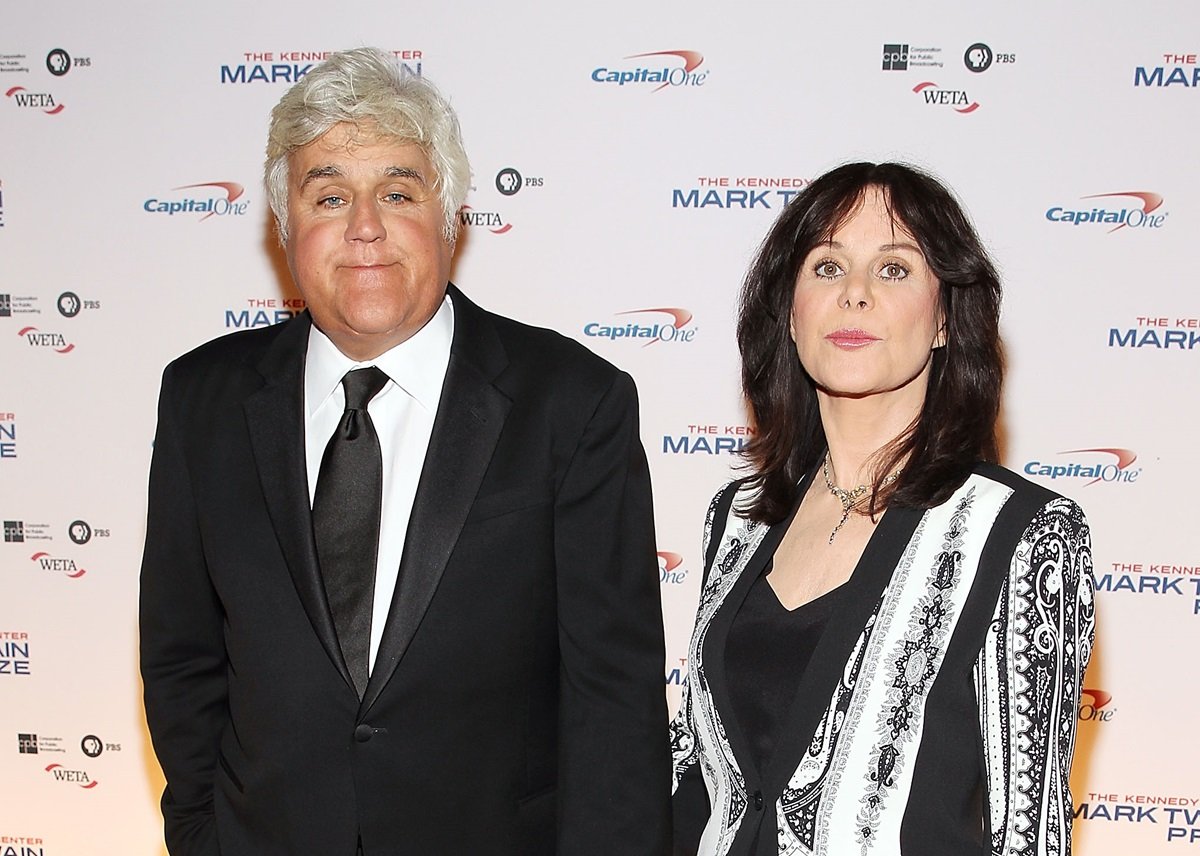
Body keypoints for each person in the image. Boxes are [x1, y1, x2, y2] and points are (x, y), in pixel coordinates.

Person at [139, 47, 671, 856]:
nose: (364, 228)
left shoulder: (572, 403)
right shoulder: (200, 401)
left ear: (450, 218)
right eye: (328, 196)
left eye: (397, 191)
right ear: (286, 230)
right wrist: (204, 835)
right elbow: (182, 657)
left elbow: (613, 700)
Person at [670, 162, 1096, 856]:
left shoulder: (1019, 535)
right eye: (827, 267)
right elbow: (695, 775)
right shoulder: (739, 519)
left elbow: (1031, 831)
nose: (855, 295)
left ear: (945, 319)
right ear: (790, 311)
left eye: (894, 270)